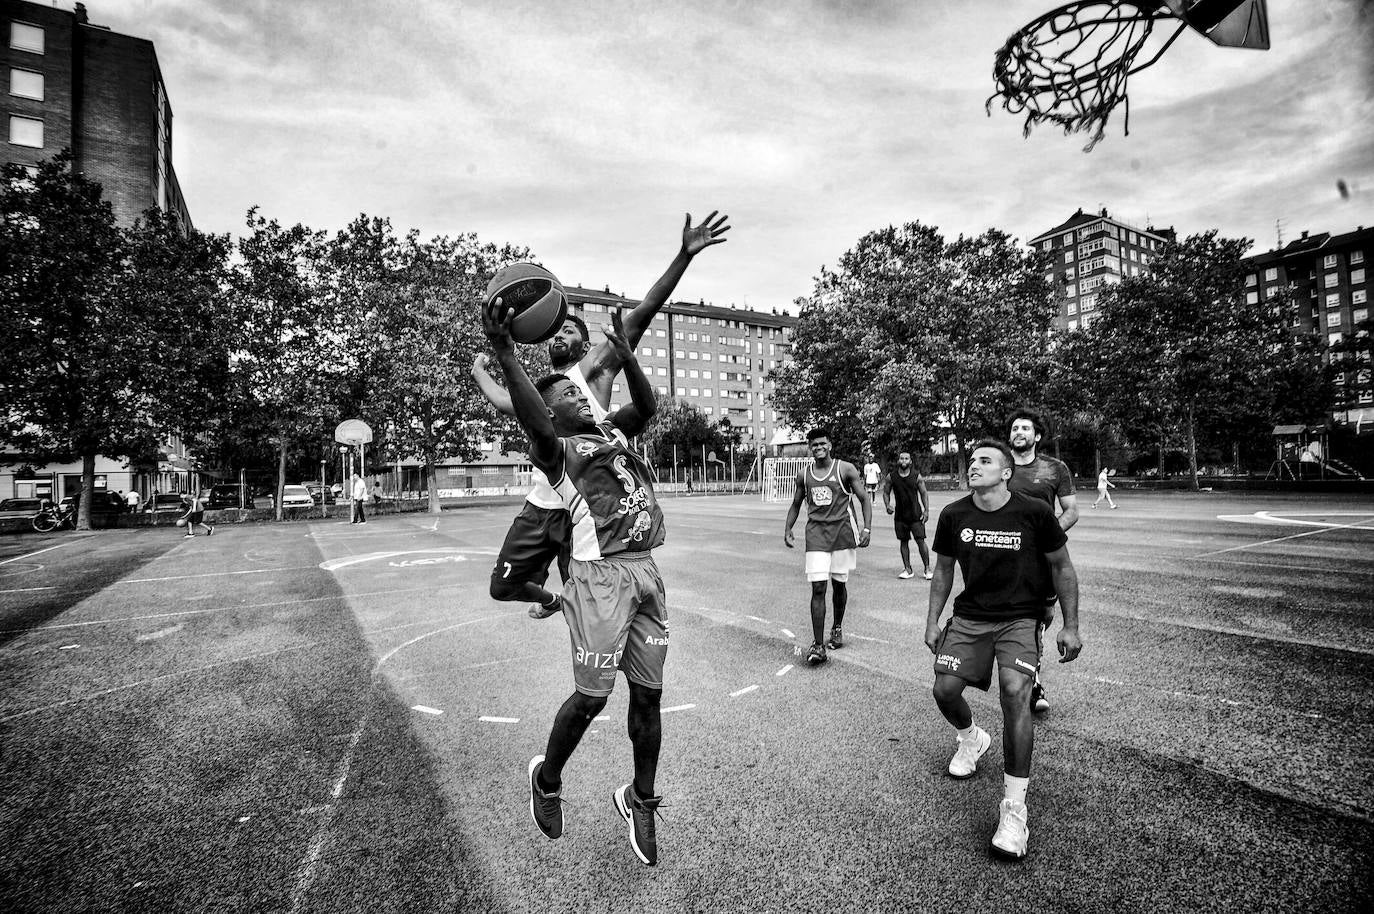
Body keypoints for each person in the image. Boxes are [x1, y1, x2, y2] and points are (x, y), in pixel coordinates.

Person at [471, 211, 730, 621]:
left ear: (586, 343)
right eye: (557, 332)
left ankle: (595, 650)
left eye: (569, 331)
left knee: (589, 604)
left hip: (588, 503)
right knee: (503, 586)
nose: (560, 335)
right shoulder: (543, 392)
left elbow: (646, 308)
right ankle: (552, 599)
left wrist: (683, 255)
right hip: (544, 500)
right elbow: (506, 400)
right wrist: (480, 371)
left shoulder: (595, 369)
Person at [484, 302, 669, 867]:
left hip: (644, 573)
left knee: (649, 697)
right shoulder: (555, 452)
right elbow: (531, 412)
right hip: (598, 579)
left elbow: (649, 406)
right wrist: (502, 353)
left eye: (571, 391)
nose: (571, 394)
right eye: (559, 396)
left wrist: (631, 356)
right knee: (592, 697)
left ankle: (639, 798)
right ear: (550, 416)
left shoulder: (611, 430)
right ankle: (548, 777)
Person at [925, 439, 1082, 860]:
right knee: (944, 690)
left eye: (985, 461)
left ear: (1006, 472)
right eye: (972, 460)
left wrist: (1071, 625)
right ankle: (972, 739)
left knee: (1015, 693)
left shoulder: (1034, 513)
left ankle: (1014, 811)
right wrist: (932, 620)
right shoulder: (954, 514)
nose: (974, 466)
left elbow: (1062, 567)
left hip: (1020, 617)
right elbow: (942, 570)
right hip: (971, 615)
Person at [1006, 408, 1079, 715]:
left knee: (1042, 617)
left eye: (1025, 428)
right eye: (1014, 428)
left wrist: (1044, 537)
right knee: (1013, 618)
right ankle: (1025, 678)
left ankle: (1031, 672)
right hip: (1004, 557)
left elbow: (1071, 511)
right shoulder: (999, 466)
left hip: (1041, 561)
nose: (1018, 432)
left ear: (1036, 436)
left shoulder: (1054, 468)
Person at [783, 428, 872, 665]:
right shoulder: (803, 475)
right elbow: (795, 503)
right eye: (814, 445)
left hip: (842, 535)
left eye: (823, 443)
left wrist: (867, 529)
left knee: (839, 585)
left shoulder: (845, 469)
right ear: (809, 447)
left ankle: (837, 627)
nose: (819, 448)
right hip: (816, 537)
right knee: (818, 588)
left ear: (830, 445)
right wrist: (788, 528)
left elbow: (864, 498)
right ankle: (818, 644)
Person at [882, 450, 931, 580]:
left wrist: (926, 511)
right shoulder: (891, 477)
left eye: (906, 459)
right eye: (901, 458)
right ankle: (908, 569)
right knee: (903, 542)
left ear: (910, 461)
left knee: (921, 541)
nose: (904, 461)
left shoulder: (917, 476)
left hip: (916, 515)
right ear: (898, 461)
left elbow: (924, 493)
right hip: (900, 516)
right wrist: (887, 505)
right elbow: (886, 492)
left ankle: (927, 569)